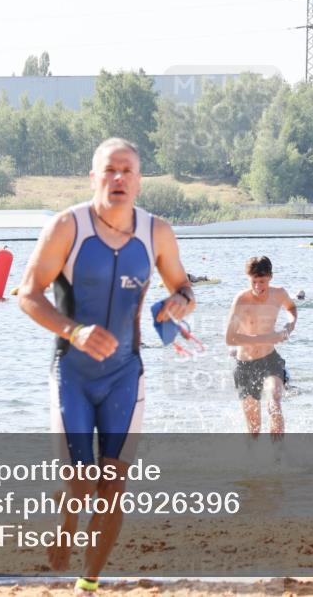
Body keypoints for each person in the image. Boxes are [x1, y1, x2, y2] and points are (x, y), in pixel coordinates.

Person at [18, 137, 195, 595]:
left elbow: (185, 291)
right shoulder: (66, 227)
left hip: (124, 376)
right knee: (81, 486)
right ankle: (67, 517)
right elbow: (28, 295)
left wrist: (176, 306)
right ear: (94, 177)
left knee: (112, 486)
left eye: (127, 171)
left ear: (138, 181)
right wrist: (73, 331)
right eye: (110, 170)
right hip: (72, 377)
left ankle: (88, 583)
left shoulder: (157, 232)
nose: (118, 178)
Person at [225, 256, 298, 439]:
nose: (258, 286)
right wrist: (269, 337)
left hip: (270, 359)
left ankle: (277, 456)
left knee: (274, 403)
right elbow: (230, 337)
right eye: (254, 282)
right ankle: (255, 460)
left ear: (270, 277)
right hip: (245, 365)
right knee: (254, 429)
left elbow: (291, 308)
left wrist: (289, 325)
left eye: (262, 281)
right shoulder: (241, 300)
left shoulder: (279, 293)